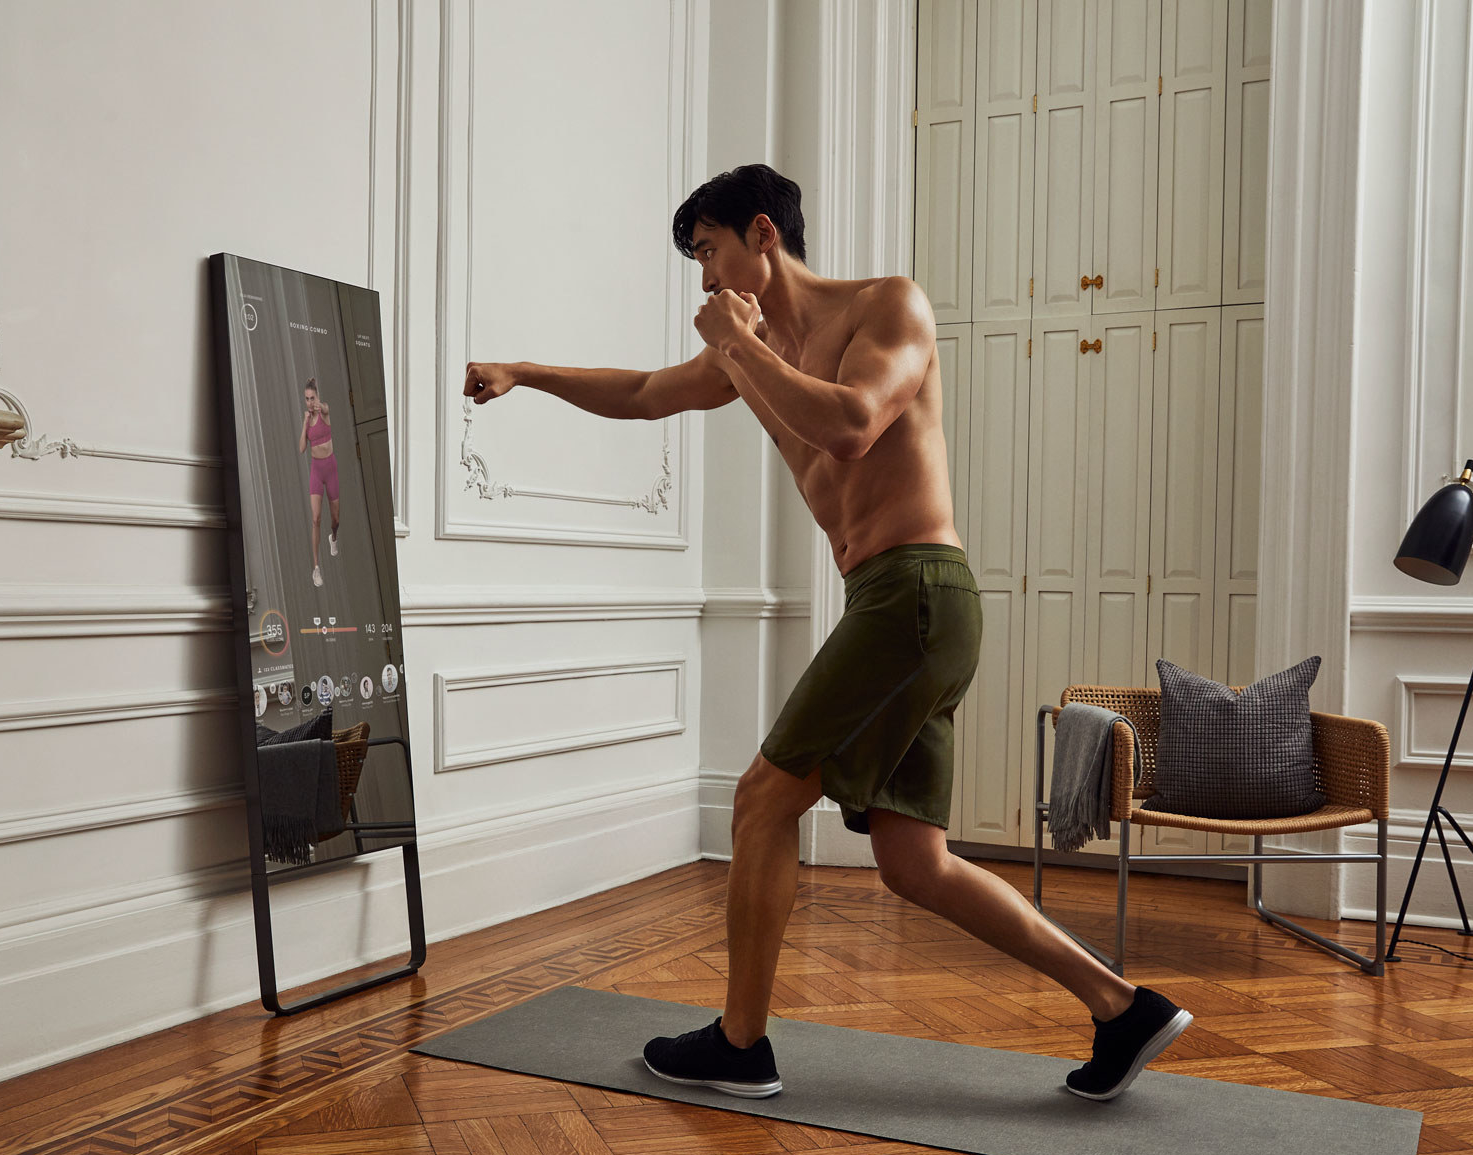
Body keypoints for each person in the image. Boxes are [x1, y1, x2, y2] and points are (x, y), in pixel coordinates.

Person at [461, 164, 1191, 1103]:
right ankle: (1120, 1007)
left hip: (916, 592)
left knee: (760, 801)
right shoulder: (753, 350)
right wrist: (526, 373)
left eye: (710, 251)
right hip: (892, 605)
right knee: (915, 864)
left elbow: (852, 425)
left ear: (764, 234)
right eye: (695, 262)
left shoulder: (886, 306)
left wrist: (739, 346)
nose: (705, 279)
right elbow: (644, 390)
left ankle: (740, 1044)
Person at [297, 378, 340, 588]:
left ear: (317, 396)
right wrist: (305, 423)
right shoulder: (306, 420)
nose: (309, 402)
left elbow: (325, 408)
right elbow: (301, 448)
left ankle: (334, 537)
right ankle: (316, 568)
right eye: (306, 399)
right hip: (317, 470)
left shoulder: (324, 411)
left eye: (312, 398)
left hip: (331, 469)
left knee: (335, 519)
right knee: (315, 519)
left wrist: (319, 406)